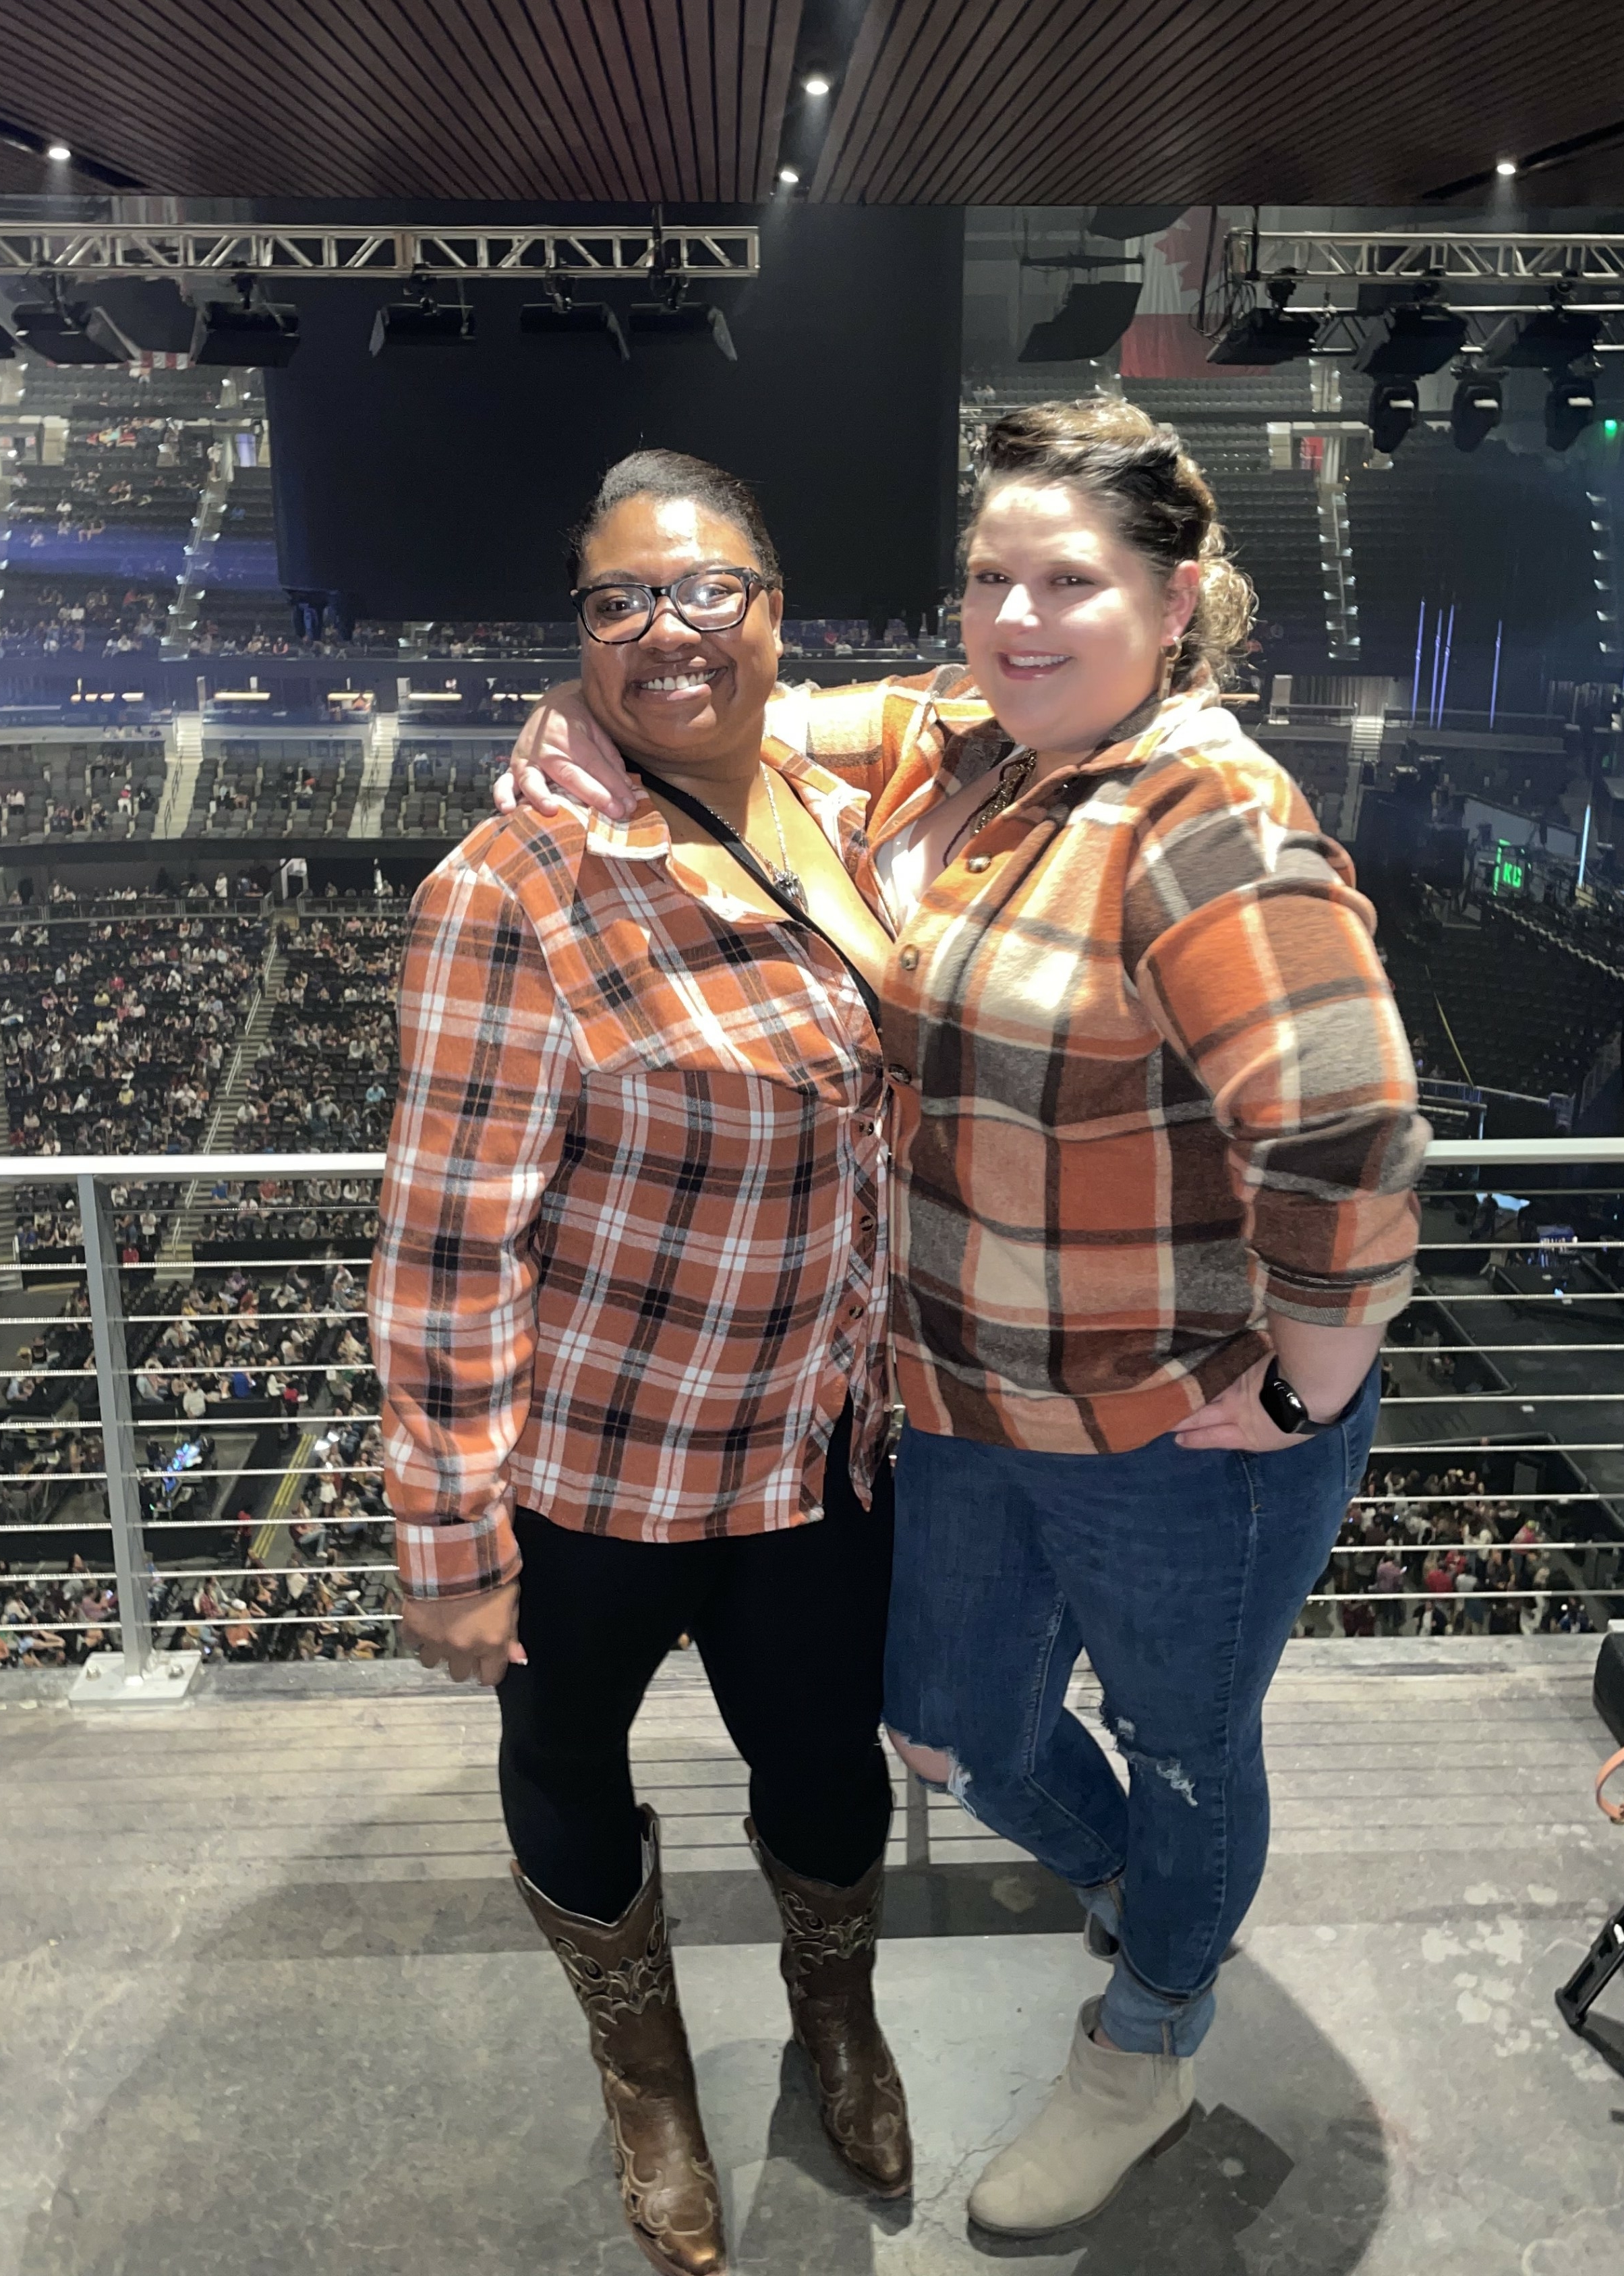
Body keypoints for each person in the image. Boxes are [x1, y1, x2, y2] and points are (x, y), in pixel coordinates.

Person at [503, 399, 1428, 2238]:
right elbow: (751, 710)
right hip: (964, 1400)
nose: (1016, 616)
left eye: (1068, 582)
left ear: (1176, 601)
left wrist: (1312, 1381)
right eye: (991, 578)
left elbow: (1345, 1124)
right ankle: (1159, 1901)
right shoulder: (978, 740)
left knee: (1188, 1751)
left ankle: (1146, 2038)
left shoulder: (1203, 818)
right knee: (948, 1728)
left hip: (1176, 1427)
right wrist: (577, 719)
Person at [369, 451, 910, 2276]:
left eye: (706, 589)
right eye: (618, 603)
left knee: (827, 1772)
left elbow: (1033, 682)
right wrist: (450, 1544)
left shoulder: (837, 807)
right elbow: (448, 1243)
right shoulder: (509, 888)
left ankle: (836, 2015)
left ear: (778, 611)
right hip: (600, 1471)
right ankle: (647, 2074)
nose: (665, 627)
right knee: (569, 1771)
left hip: (818, 1445)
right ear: (579, 640)